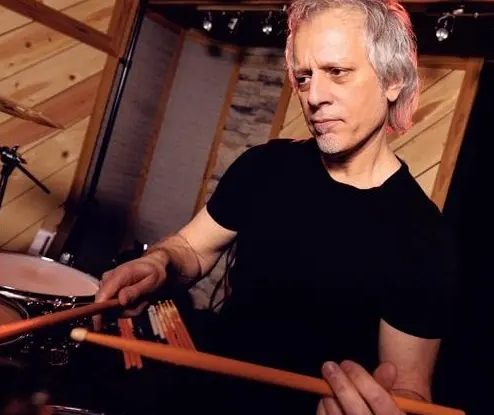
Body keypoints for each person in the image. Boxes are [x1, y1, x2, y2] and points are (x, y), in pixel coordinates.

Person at [93, 0, 458, 413]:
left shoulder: (422, 235)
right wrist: (158, 262)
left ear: (392, 80)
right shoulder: (264, 165)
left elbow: (410, 390)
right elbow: (193, 249)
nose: (313, 96)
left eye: (337, 72)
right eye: (303, 77)